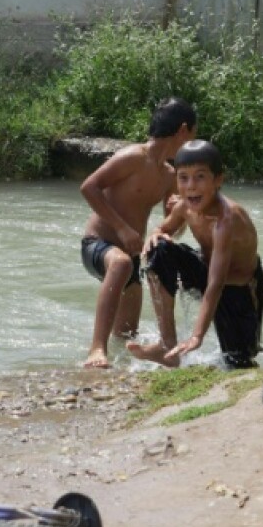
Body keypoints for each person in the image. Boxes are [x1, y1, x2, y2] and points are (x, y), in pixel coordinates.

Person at [79, 97, 197, 369]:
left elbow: (171, 230)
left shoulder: (169, 175)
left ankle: (122, 368)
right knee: (119, 264)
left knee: (126, 336)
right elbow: (89, 187)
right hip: (98, 245)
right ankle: (96, 349)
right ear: (182, 130)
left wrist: (180, 214)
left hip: (130, 257)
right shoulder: (133, 157)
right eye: (192, 135)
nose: (191, 142)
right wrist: (121, 227)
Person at [127, 139, 263, 368]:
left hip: (237, 288)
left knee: (239, 361)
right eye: (183, 177)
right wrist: (155, 233)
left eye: (200, 177)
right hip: (205, 269)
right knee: (159, 249)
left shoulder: (226, 220)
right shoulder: (184, 207)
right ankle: (166, 344)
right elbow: (163, 228)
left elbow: (216, 284)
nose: (191, 186)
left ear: (218, 180)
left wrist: (196, 337)